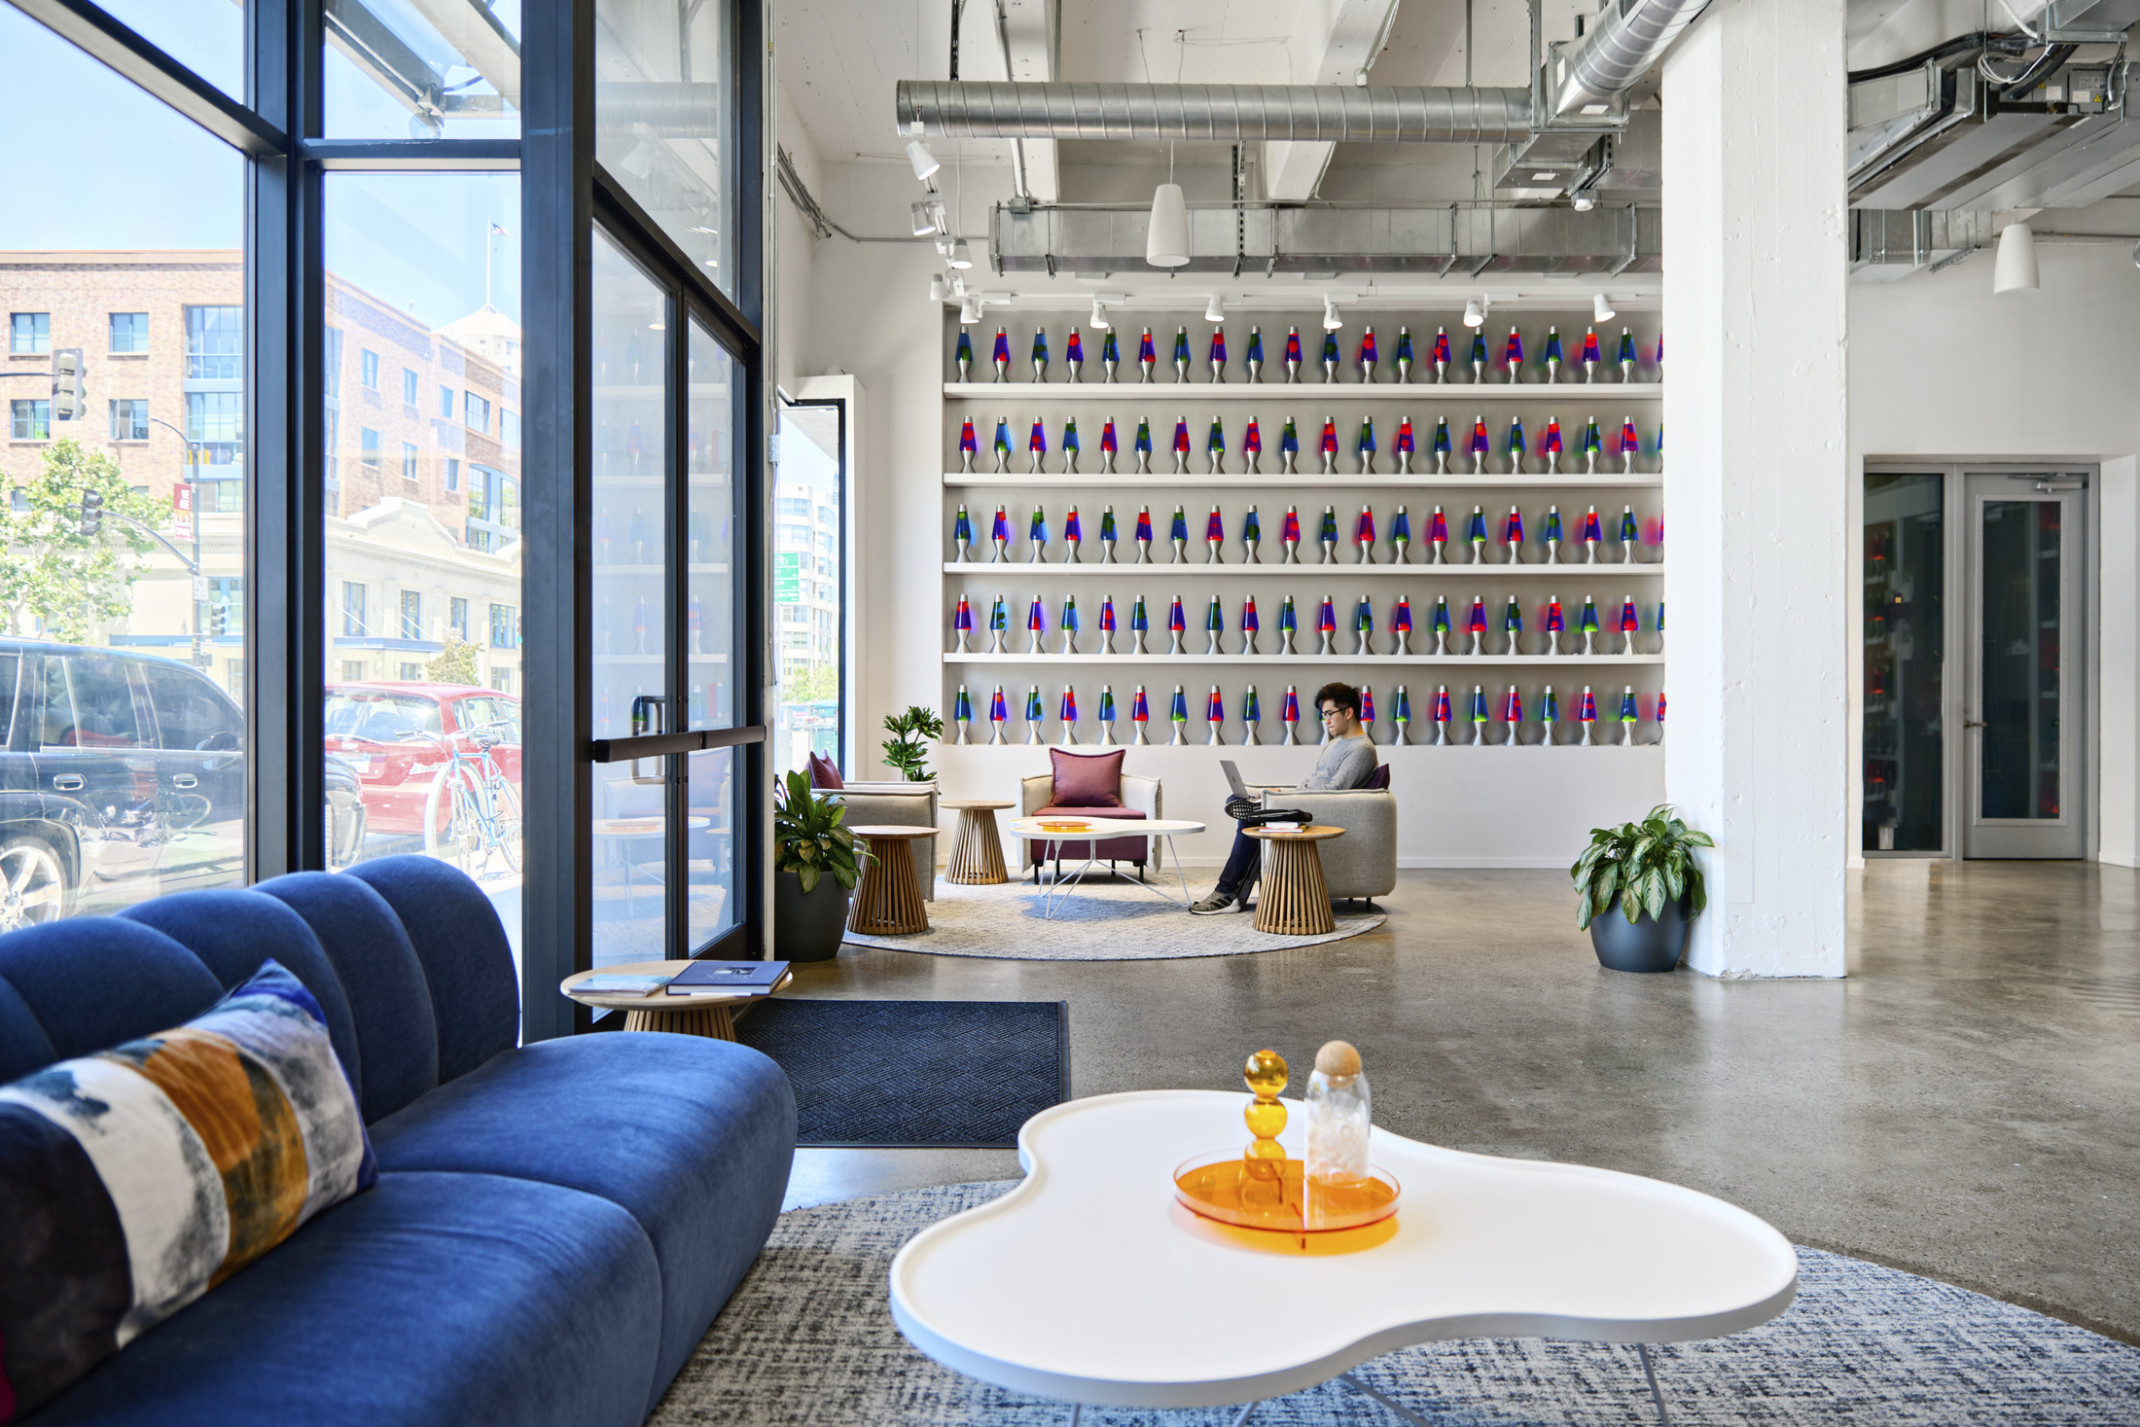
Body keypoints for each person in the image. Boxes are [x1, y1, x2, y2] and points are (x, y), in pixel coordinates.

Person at [1190, 682, 1379, 914]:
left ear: (1348, 712)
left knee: (1251, 817)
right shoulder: (1334, 745)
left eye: (1329, 714)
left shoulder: (1361, 749)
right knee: (1241, 800)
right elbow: (1313, 781)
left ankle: (1227, 892)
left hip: (1314, 812)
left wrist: (1289, 798)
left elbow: (1332, 791)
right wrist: (1282, 791)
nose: (1326, 720)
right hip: (1303, 801)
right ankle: (1230, 890)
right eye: (1323, 715)